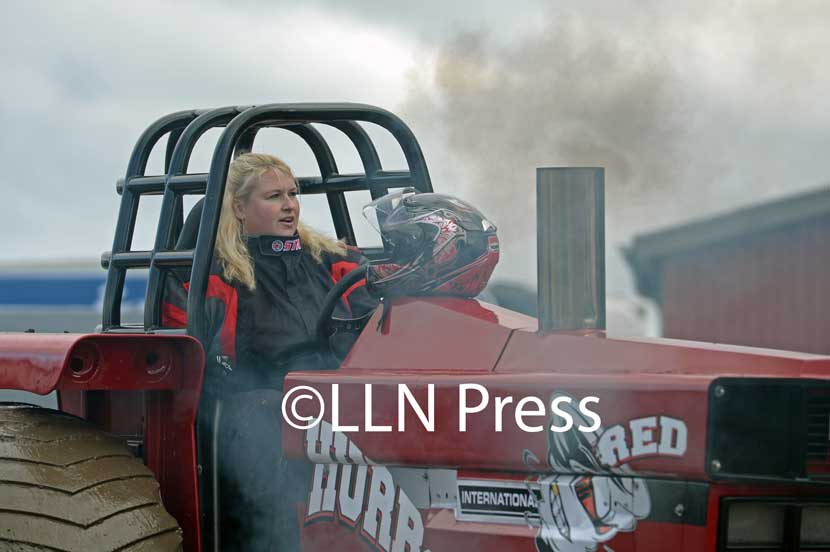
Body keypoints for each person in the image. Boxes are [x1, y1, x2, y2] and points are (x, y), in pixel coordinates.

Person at [162, 152, 376, 550]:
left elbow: (382, 316)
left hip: (336, 398)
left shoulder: (332, 261)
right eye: (274, 196)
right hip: (250, 407)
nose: (289, 205)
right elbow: (186, 359)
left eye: (293, 194)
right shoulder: (212, 275)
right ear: (240, 208)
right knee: (270, 415)